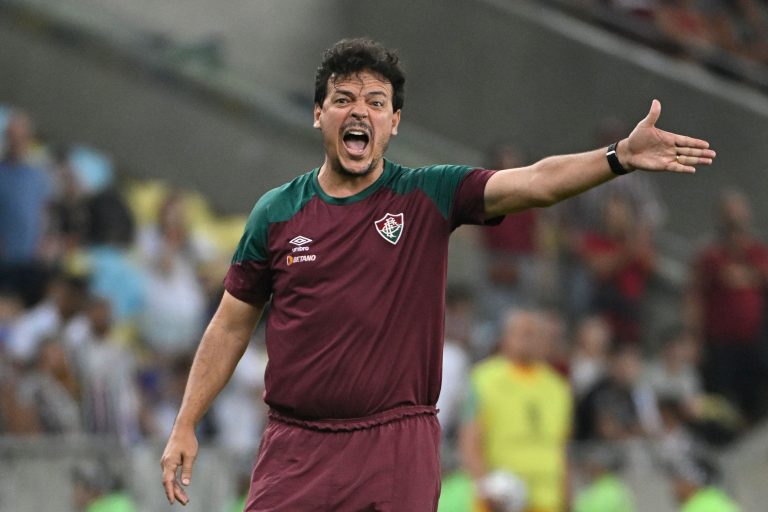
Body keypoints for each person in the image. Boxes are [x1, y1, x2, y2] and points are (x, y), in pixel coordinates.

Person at [160, 38, 715, 510]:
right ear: (318, 113)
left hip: (395, 443)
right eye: (343, 99)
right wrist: (186, 421)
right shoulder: (277, 211)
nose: (359, 111)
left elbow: (536, 182)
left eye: (376, 102)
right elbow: (231, 326)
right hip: (296, 445)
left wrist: (617, 156)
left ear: (394, 122)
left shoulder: (429, 193)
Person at [459, 308, 572, 512]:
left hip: (547, 501)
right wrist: (486, 488)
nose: (530, 340)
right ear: (505, 337)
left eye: (536, 335)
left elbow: (562, 450)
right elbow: (469, 441)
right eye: (524, 333)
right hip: (502, 499)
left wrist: (568, 499)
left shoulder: (558, 388)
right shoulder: (482, 379)